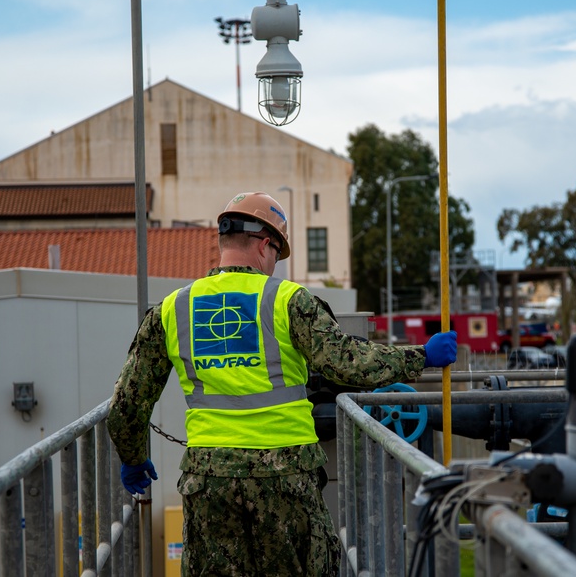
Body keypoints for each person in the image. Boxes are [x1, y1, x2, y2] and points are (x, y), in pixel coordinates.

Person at [107, 191, 457, 577]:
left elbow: (125, 405)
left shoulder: (172, 309)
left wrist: (134, 459)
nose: (275, 264)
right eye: (277, 253)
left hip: (209, 481)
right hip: (285, 478)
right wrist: (421, 356)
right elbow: (347, 364)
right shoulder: (288, 300)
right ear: (264, 245)